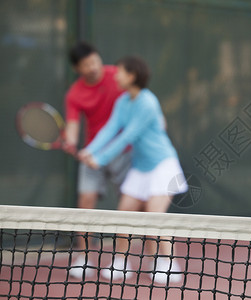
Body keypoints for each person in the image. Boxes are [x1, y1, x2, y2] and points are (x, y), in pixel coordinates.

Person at [78, 56, 188, 283]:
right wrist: (90, 151)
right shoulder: (123, 102)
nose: (115, 75)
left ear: (132, 75)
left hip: (163, 166)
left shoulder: (148, 103)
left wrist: (101, 159)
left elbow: (129, 135)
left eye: (119, 72)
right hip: (140, 167)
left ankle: (167, 262)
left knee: (155, 217)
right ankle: (121, 261)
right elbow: (110, 130)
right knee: (124, 214)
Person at [64, 42, 131, 279]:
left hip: (125, 150)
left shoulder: (118, 77)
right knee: (85, 201)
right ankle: (84, 258)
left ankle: (122, 260)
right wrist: (71, 141)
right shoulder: (75, 93)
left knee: (127, 204)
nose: (92, 67)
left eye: (94, 61)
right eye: (86, 65)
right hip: (93, 153)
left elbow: (138, 101)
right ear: (77, 68)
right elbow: (72, 125)